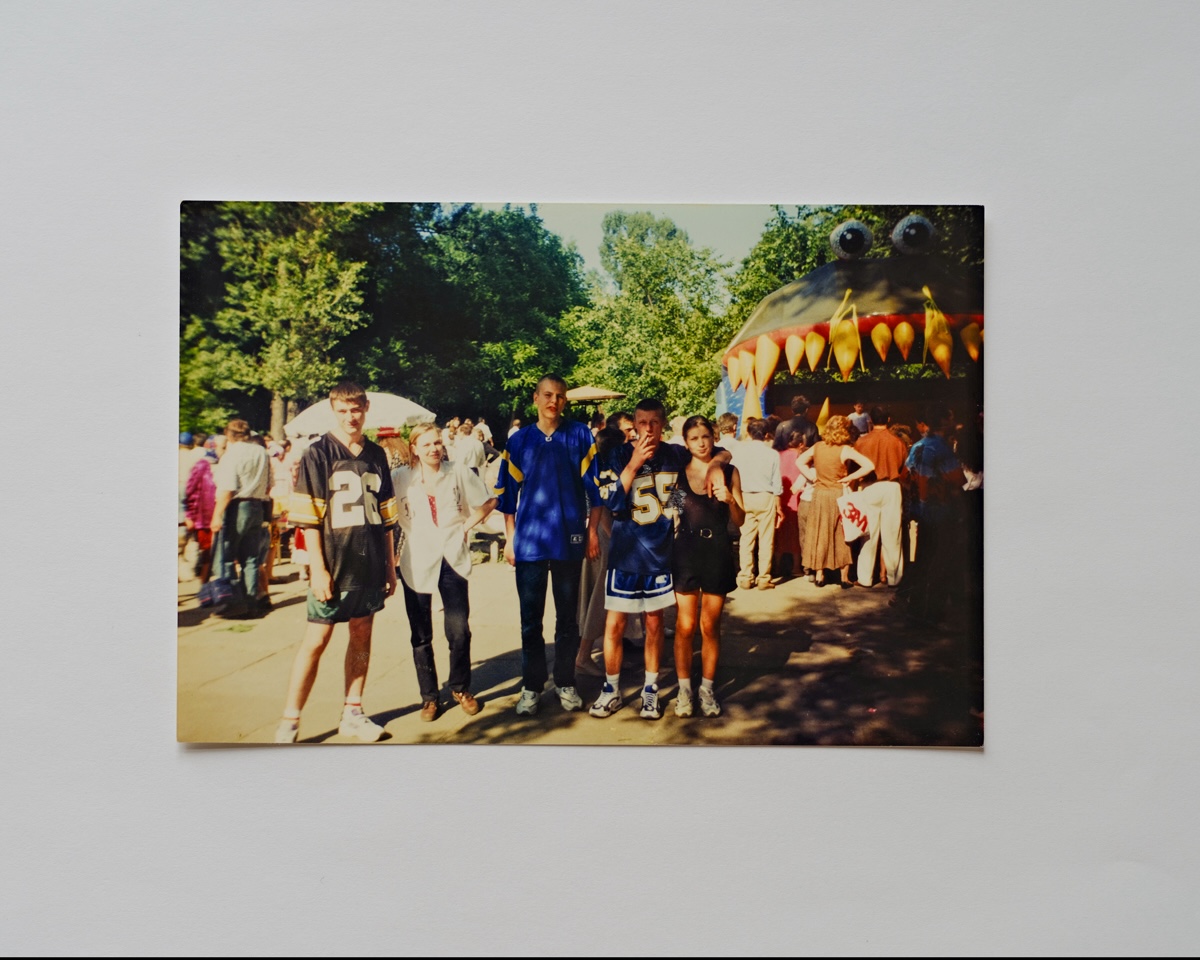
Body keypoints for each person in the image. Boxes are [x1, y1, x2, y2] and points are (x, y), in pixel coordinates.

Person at [274, 382, 399, 744]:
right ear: (334, 411)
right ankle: (290, 719)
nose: (350, 416)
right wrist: (319, 568)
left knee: (362, 635)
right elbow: (309, 517)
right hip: (333, 560)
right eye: (343, 411)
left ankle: (353, 711)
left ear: (366, 407)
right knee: (316, 639)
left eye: (356, 409)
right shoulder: (318, 452)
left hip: (370, 561)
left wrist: (390, 566)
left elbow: (387, 516)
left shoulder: (377, 454)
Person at [589, 400, 728, 720]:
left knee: (654, 625)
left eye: (654, 422)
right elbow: (609, 501)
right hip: (625, 554)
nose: (648, 428)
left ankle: (650, 690)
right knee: (614, 624)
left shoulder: (674, 454)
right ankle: (611, 689)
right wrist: (634, 464)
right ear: (634, 425)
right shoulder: (619, 453)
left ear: (663, 424)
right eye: (641, 422)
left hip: (660, 554)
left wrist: (719, 462)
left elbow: (714, 453)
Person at [494, 374, 601, 716]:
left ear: (565, 401)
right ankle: (531, 686)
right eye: (547, 395)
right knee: (531, 621)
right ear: (536, 398)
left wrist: (593, 531)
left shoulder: (579, 434)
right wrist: (510, 540)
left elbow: (595, 490)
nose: (553, 401)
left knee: (568, 619)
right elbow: (507, 498)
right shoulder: (520, 440)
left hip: (569, 538)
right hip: (529, 543)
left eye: (559, 396)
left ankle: (566, 682)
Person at [393, 423, 497, 721]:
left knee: (459, 630)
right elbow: (387, 512)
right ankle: (429, 697)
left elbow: (490, 501)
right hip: (416, 559)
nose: (433, 449)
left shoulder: (458, 472)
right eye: (426, 445)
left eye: (437, 443)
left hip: (452, 557)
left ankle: (460, 687)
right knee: (420, 633)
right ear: (414, 448)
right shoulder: (401, 478)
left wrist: (465, 526)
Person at [670, 416, 744, 718]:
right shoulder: (678, 474)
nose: (701, 443)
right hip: (685, 551)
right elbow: (672, 512)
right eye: (694, 438)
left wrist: (730, 501)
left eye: (705, 436)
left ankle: (707, 689)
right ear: (685, 443)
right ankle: (684, 689)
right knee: (685, 626)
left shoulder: (729, 471)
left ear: (712, 437)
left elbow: (740, 519)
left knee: (710, 626)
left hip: (717, 551)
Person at [795, 415, 876, 588]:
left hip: (819, 494)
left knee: (819, 532)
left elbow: (800, 461)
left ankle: (819, 574)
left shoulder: (817, 447)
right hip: (838, 494)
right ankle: (844, 577)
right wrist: (850, 477)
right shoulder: (845, 449)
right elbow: (869, 465)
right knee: (842, 534)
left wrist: (811, 475)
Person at [210, 419, 272, 616]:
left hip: (237, 506)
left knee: (227, 556)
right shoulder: (261, 452)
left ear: (229, 435)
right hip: (257, 505)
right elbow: (269, 484)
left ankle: (232, 601)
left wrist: (217, 515)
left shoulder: (232, 454)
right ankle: (250, 599)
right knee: (251, 558)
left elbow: (228, 488)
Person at [853, 406, 908, 588]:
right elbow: (904, 468)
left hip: (869, 487)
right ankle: (894, 578)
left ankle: (865, 578)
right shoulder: (897, 442)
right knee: (893, 535)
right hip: (892, 486)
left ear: (870, 420)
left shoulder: (861, 442)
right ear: (889, 419)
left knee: (869, 535)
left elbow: (854, 467)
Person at [732, 418, 784, 590]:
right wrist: (779, 506)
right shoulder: (772, 454)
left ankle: (746, 576)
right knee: (766, 539)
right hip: (765, 496)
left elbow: (734, 476)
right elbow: (777, 483)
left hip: (745, 496)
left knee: (746, 538)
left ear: (748, 432)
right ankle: (764, 578)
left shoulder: (739, 452)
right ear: (767, 433)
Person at [183, 436, 221, 585]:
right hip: (204, 517)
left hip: (218, 516)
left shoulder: (224, 465)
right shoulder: (201, 466)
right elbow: (190, 491)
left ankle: (206, 585)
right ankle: (204, 586)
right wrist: (189, 515)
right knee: (205, 550)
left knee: (211, 552)